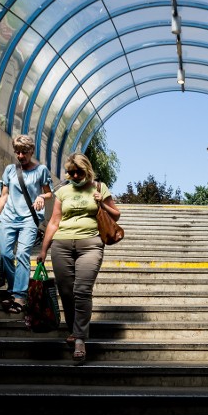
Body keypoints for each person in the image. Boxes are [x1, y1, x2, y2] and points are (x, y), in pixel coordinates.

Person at [37, 152, 121, 364]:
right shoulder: (62, 191)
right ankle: (74, 330)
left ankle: (80, 339)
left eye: (78, 172)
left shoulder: (99, 187)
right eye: (71, 172)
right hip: (61, 244)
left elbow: (116, 214)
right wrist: (44, 249)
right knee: (66, 290)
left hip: (91, 244)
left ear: (87, 170)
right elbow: (54, 222)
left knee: (82, 290)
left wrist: (101, 203)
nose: (74, 176)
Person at [0, 135, 53, 314]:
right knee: (5, 254)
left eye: (24, 152)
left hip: (29, 220)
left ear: (31, 151)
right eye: (17, 152)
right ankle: (12, 289)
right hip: (8, 218)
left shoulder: (41, 171)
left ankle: (19, 296)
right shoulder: (10, 170)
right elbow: (4, 196)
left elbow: (49, 194)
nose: (20, 156)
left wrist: (41, 196)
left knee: (23, 254)